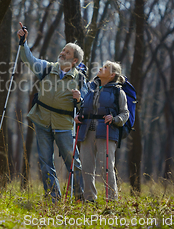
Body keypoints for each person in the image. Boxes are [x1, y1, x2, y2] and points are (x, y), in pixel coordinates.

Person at [17, 22, 84, 202]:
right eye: (63, 50)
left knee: (73, 163)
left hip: (63, 125)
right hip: (42, 121)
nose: (62, 53)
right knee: (45, 162)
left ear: (75, 60)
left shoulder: (80, 79)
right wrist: (23, 42)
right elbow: (29, 59)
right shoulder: (47, 68)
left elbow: (84, 105)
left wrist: (79, 99)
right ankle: (53, 198)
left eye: (67, 52)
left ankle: (79, 198)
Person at [74, 61, 129, 202]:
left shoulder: (118, 92)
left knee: (106, 167)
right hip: (86, 131)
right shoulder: (89, 88)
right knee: (86, 167)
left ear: (112, 75)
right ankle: (89, 199)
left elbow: (125, 114)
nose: (100, 68)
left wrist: (115, 119)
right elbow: (82, 105)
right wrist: (78, 116)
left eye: (105, 68)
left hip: (106, 132)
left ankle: (111, 200)